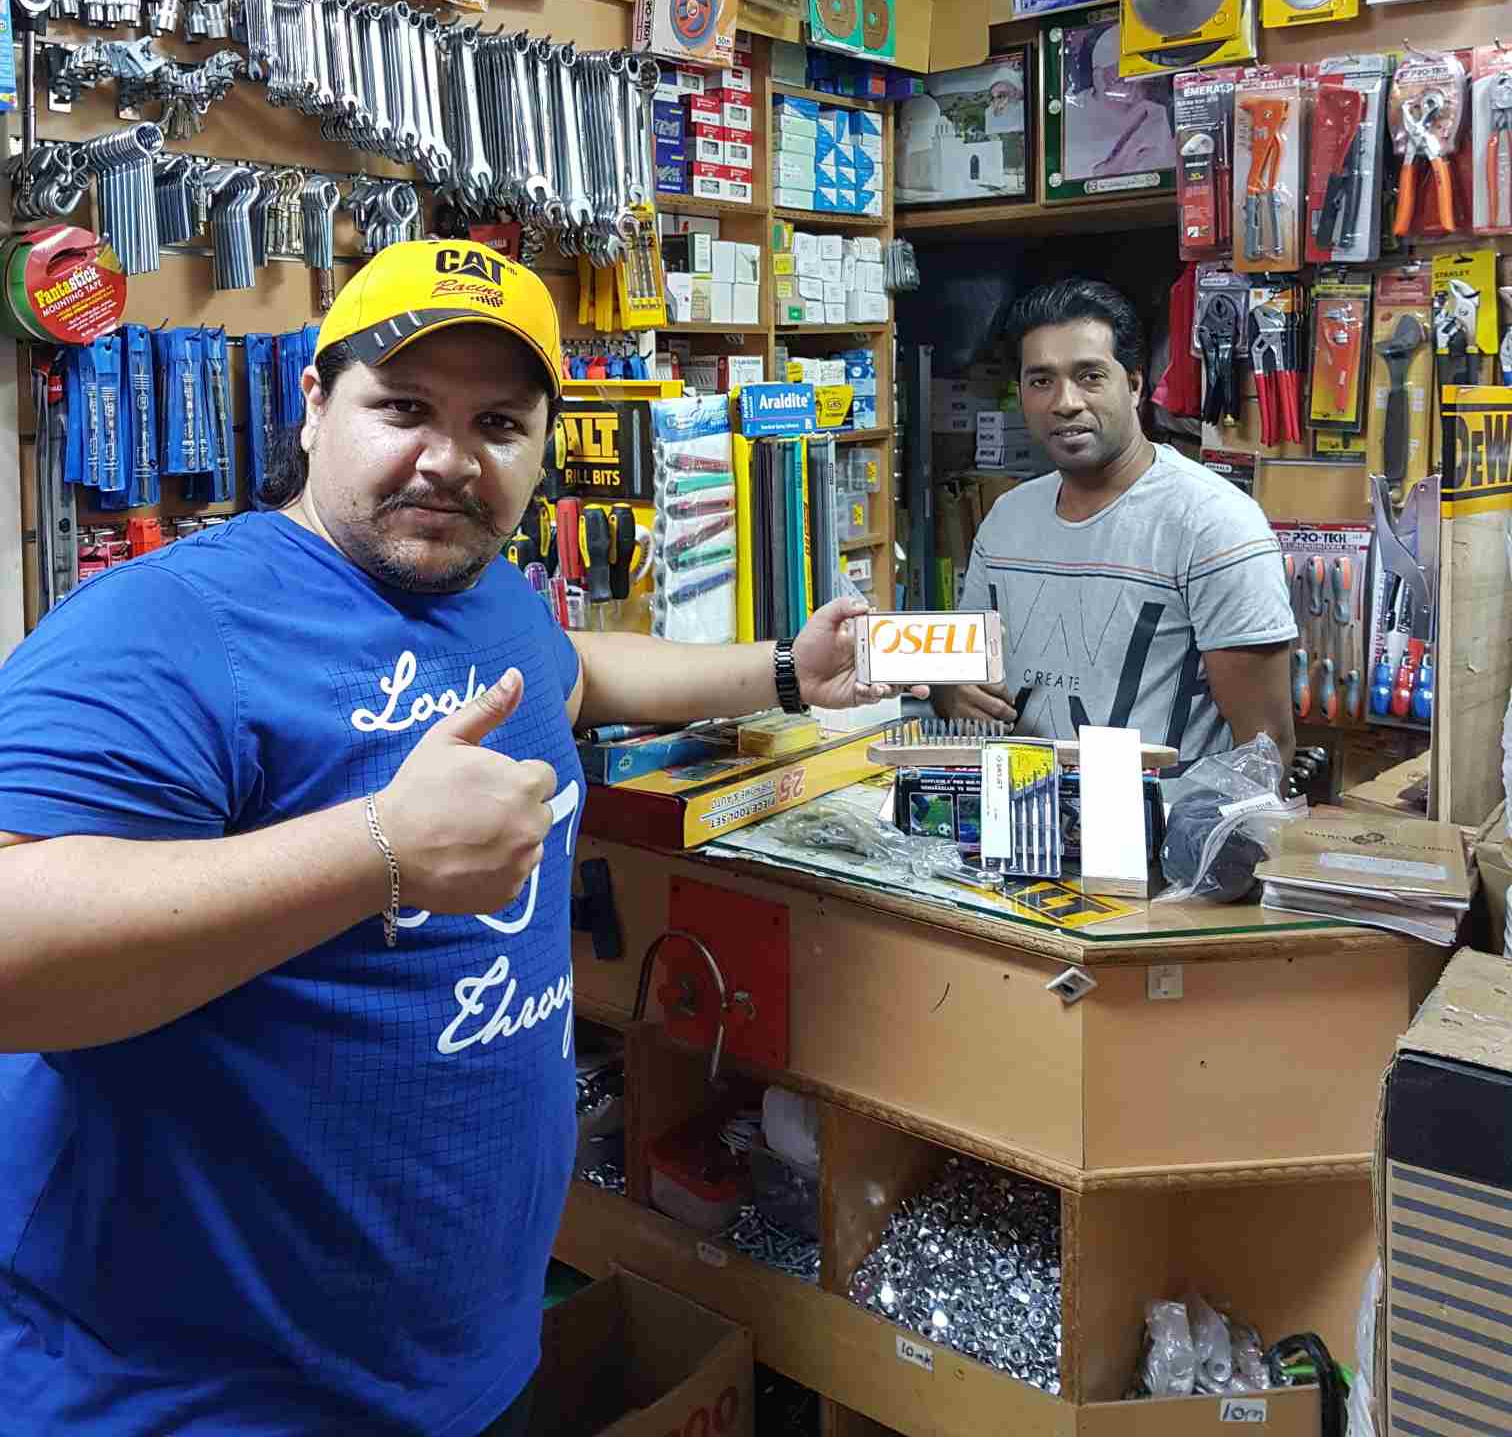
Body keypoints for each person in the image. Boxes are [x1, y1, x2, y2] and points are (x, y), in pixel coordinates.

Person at [0, 238, 915, 1437]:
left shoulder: (483, 597)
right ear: (314, 405)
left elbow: (572, 672)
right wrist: (378, 850)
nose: (447, 458)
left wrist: (788, 670)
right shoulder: (167, 626)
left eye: (498, 423)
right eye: (404, 408)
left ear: (541, 447)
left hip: (463, 1360)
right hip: (196, 1396)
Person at [937, 277, 1295, 768]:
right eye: (1041, 381)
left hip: (1162, 817)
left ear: (1134, 385)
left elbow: (1265, 752)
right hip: (1023, 808)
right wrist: (951, 692)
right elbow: (960, 680)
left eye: (1090, 376)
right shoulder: (1006, 520)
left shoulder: (1214, 525)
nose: (1065, 401)